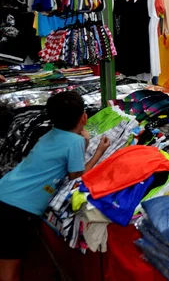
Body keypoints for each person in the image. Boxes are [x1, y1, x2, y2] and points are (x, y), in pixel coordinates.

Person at [0, 92, 110, 281]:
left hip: (6, 191)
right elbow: (77, 176)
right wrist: (99, 151)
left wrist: (83, 142)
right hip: (17, 207)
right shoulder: (74, 141)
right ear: (84, 117)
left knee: (7, 256)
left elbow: (61, 157)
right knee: (11, 262)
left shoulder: (50, 134)